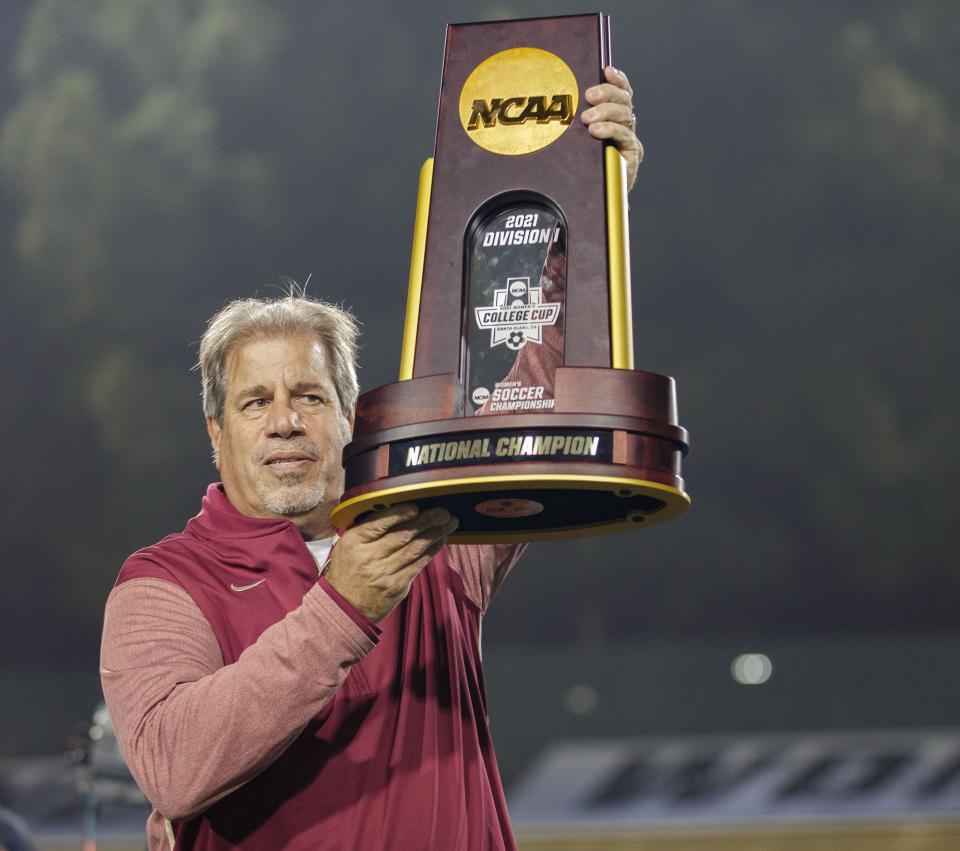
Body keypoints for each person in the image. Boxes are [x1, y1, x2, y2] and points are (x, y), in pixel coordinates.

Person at [100, 67, 642, 851]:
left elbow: (538, 390)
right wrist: (343, 603)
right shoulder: (162, 584)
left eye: (310, 397)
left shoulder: (433, 528)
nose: (285, 421)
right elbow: (175, 766)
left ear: (352, 418)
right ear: (216, 433)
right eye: (256, 403)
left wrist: (592, 206)